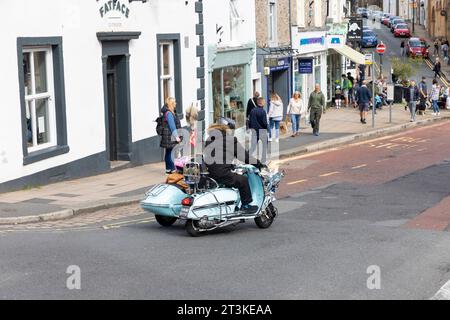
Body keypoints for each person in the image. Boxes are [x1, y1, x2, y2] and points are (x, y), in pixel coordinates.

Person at [204, 119, 263, 215]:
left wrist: (230, 165)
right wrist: (258, 163)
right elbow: (244, 156)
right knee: (243, 180)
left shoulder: (209, 140)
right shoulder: (230, 140)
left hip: (210, 173)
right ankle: (246, 205)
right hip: (222, 173)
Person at [160, 97, 181, 174]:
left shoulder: (168, 112)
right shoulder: (169, 114)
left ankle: (168, 170)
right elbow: (172, 126)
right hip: (170, 136)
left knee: (168, 152)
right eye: (174, 102)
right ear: (171, 104)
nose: (176, 103)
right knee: (170, 153)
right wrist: (176, 137)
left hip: (167, 136)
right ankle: (172, 169)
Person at [249, 97, 269, 163]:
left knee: (253, 146)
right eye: (264, 102)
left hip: (254, 131)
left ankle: (246, 157)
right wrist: (267, 129)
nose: (265, 103)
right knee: (264, 146)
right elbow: (264, 123)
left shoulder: (252, 110)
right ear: (262, 103)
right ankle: (263, 160)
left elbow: (250, 121)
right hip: (262, 131)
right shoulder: (263, 111)